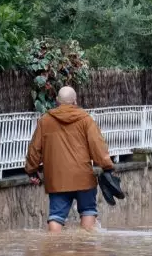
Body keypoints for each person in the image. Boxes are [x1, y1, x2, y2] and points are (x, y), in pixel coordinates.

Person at [25, 86, 114, 233]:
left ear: (57, 101)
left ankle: (54, 249)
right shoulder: (85, 119)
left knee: (56, 216)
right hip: (83, 177)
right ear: (75, 101)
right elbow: (97, 145)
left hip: (57, 178)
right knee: (88, 210)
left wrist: (31, 170)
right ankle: (86, 250)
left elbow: (35, 149)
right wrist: (107, 166)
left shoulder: (45, 120)